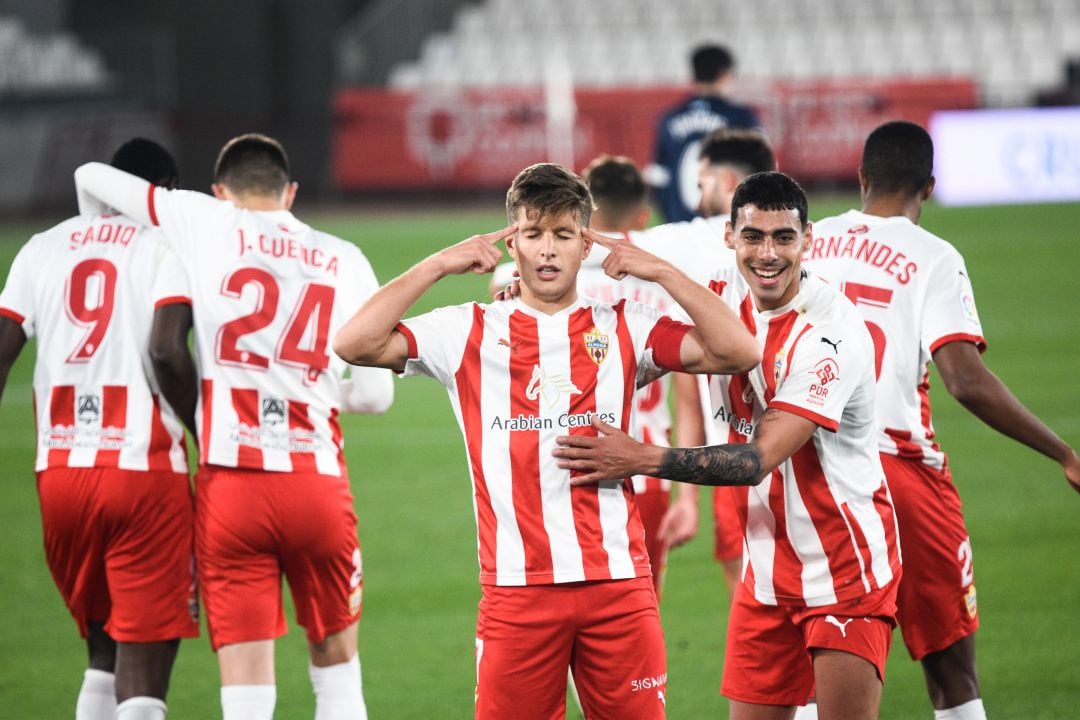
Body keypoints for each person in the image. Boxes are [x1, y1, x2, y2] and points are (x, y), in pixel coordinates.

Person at [333, 162, 760, 719]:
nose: (548, 251)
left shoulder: (623, 324)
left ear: (587, 244)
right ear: (513, 241)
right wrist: (439, 264)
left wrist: (661, 272)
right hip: (517, 591)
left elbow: (739, 351)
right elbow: (354, 343)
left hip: (618, 588)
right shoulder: (467, 330)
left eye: (563, 235)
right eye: (533, 234)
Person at [554, 171, 902, 720]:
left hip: (843, 567)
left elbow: (756, 460)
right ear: (730, 237)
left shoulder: (829, 337)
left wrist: (641, 457)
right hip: (764, 569)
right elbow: (612, 331)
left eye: (783, 237)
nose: (768, 253)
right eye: (754, 236)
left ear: (807, 240)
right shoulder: (716, 295)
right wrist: (522, 303)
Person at [74, 134, 394, 720]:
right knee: (338, 672)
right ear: (291, 193)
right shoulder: (344, 256)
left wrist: (94, 233)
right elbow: (376, 394)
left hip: (232, 485)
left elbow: (93, 173)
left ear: (220, 192)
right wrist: (317, 395)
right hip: (314, 482)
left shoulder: (201, 222)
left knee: (245, 693)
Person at [804, 121, 1080, 720]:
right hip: (899, 473)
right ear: (930, 186)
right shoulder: (934, 257)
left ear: (861, 177)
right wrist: (1064, 452)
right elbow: (966, 380)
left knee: (808, 666)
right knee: (953, 673)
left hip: (807, 469)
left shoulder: (808, 241)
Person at [0, 138, 198, 720]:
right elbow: (166, 351)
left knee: (102, 652)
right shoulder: (167, 243)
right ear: (162, 194)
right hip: (142, 471)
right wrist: (207, 429)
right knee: (143, 673)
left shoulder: (42, 247)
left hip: (59, 474)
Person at [492, 154, 678, 598]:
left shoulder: (521, 276)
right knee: (641, 598)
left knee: (563, 594)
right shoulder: (653, 275)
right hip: (645, 456)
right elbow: (689, 381)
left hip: (553, 453)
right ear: (643, 214)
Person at [638, 128, 777, 594]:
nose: (698, 200)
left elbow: (603, 245)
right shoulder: (809, 242)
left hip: (738, 454)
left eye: (703, 185)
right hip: (808, 446)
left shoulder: (690, 242)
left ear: (728, 180)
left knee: (754, 615)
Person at [648, 43, 762, 224]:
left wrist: (670, 221)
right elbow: (760, 173)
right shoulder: (740, 117)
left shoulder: (669, 119)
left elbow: (658, 177)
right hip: (726, 226)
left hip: (680, 227)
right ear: (724, 73)